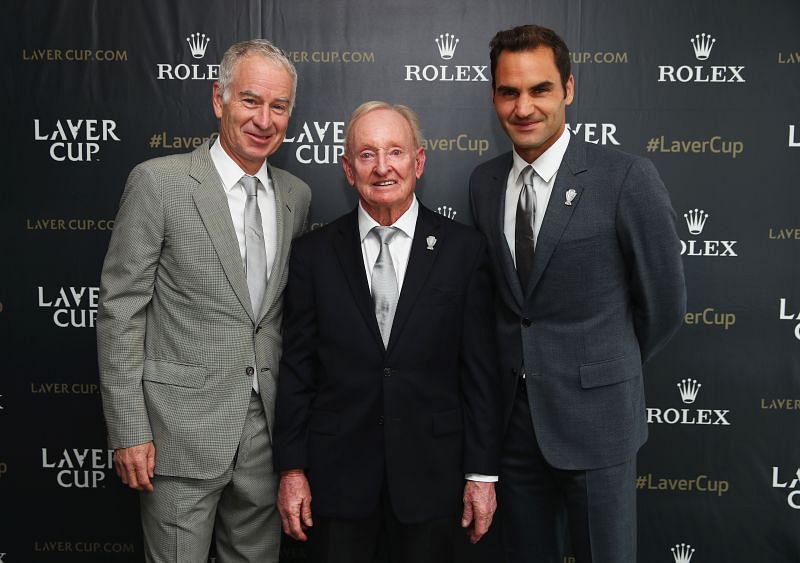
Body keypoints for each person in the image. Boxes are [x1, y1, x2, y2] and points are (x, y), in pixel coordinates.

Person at [469, 25, 686, 563]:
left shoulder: (626, 178)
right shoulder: (483, 183)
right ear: (493, 95)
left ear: (568, 88)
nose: (524, 107)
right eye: (509, 91)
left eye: (540, 89)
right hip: (514, 431)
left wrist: (604, 368)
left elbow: (663, 305)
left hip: (600, 424)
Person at [96, 39, 311, 562]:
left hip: (265, 439)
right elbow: (120, 310)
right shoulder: (159, 183)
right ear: (219, 100)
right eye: (250, 101)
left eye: (278, 106)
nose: (264, 119)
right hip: (177, 435)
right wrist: (129, 429)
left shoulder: (295, 195)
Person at [273, 101, 500, 563]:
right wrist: (292, 469)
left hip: (434, 484)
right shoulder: (313, 254)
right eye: (367, 154)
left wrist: (483, 475)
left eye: (395, 152)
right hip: (337, 485)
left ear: (418, 161)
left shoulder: (464, 250)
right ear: (347, 168)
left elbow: (479, 372)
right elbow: (297, 369)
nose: (382, 168)